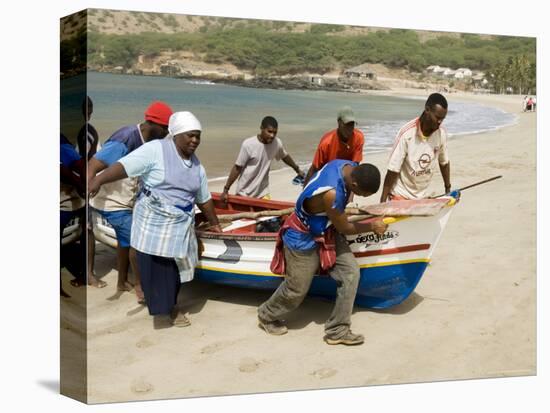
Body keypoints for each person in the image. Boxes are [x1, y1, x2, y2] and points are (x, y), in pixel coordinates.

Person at [89, 111, 222, 327]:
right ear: (176, 134)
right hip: (153, 221)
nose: (195, 140)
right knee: (157, 268)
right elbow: (124, 166)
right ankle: (169, 309)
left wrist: (215, 223)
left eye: (198, 136)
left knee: (176, 270)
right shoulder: (155, 149)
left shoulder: (197, 167)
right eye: (190, 135)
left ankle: (169, 304)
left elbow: (204, 199)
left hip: (180, 224)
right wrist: (98, 179)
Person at [258, 159, 387, 346]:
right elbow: (345, 227)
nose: (362, 197)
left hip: (326, 228)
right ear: (354, 184)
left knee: (350, 273)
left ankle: (338, 329)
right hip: (302, 235)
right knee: (297, 288)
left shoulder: (344, 164)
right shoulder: (332, 194)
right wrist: (371, 226)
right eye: (362, 193)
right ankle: (266, 314)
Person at [88, 101, 173, 302]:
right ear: (155, 124)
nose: (167, 133)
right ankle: (140, 286)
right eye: (166, 129)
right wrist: (90, 186)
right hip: (110, 203)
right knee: (137, 241)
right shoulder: (126, 137)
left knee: (124, 243)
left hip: (127, 202)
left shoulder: (149, 142)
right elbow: (93, 164)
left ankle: (121, 281)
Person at [380, 93, 451, 202]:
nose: (439, 122)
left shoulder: (441, 133)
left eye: (442, 119)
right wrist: (382, 201)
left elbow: (444, 163)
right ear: (427, 110)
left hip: (422, 196)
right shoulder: (407, 133)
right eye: (437, 117)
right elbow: (393, 169)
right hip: (400, 195)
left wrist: (448, 189)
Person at [220, 116, 304, 203]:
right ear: (261, 128)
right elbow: (237, 168)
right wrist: (226, 190)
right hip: (244, 193)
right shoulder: (248, 144)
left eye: (275, 133)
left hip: (263, 193)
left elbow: (284, 156)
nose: (272, 135)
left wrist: (297, 169)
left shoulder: (276, 143)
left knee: (266, 215)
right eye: (269, 131)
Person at [303, 106, 365, 186]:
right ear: (339, 122)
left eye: (352, 125)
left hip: (347, 175)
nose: (349, 129)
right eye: (346, 124)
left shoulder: (359, 138)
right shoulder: (326, 142)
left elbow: (355, 167)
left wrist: (351, 197)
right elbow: (315, 168)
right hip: (328, 175)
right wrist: (305, 190)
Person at [60, 134, 90, 295]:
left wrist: (81, 185)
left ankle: (85, 275)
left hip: (67, 203)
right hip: (74, 201)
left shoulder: (62, 143)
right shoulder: (64, 143)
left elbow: (69, 168)